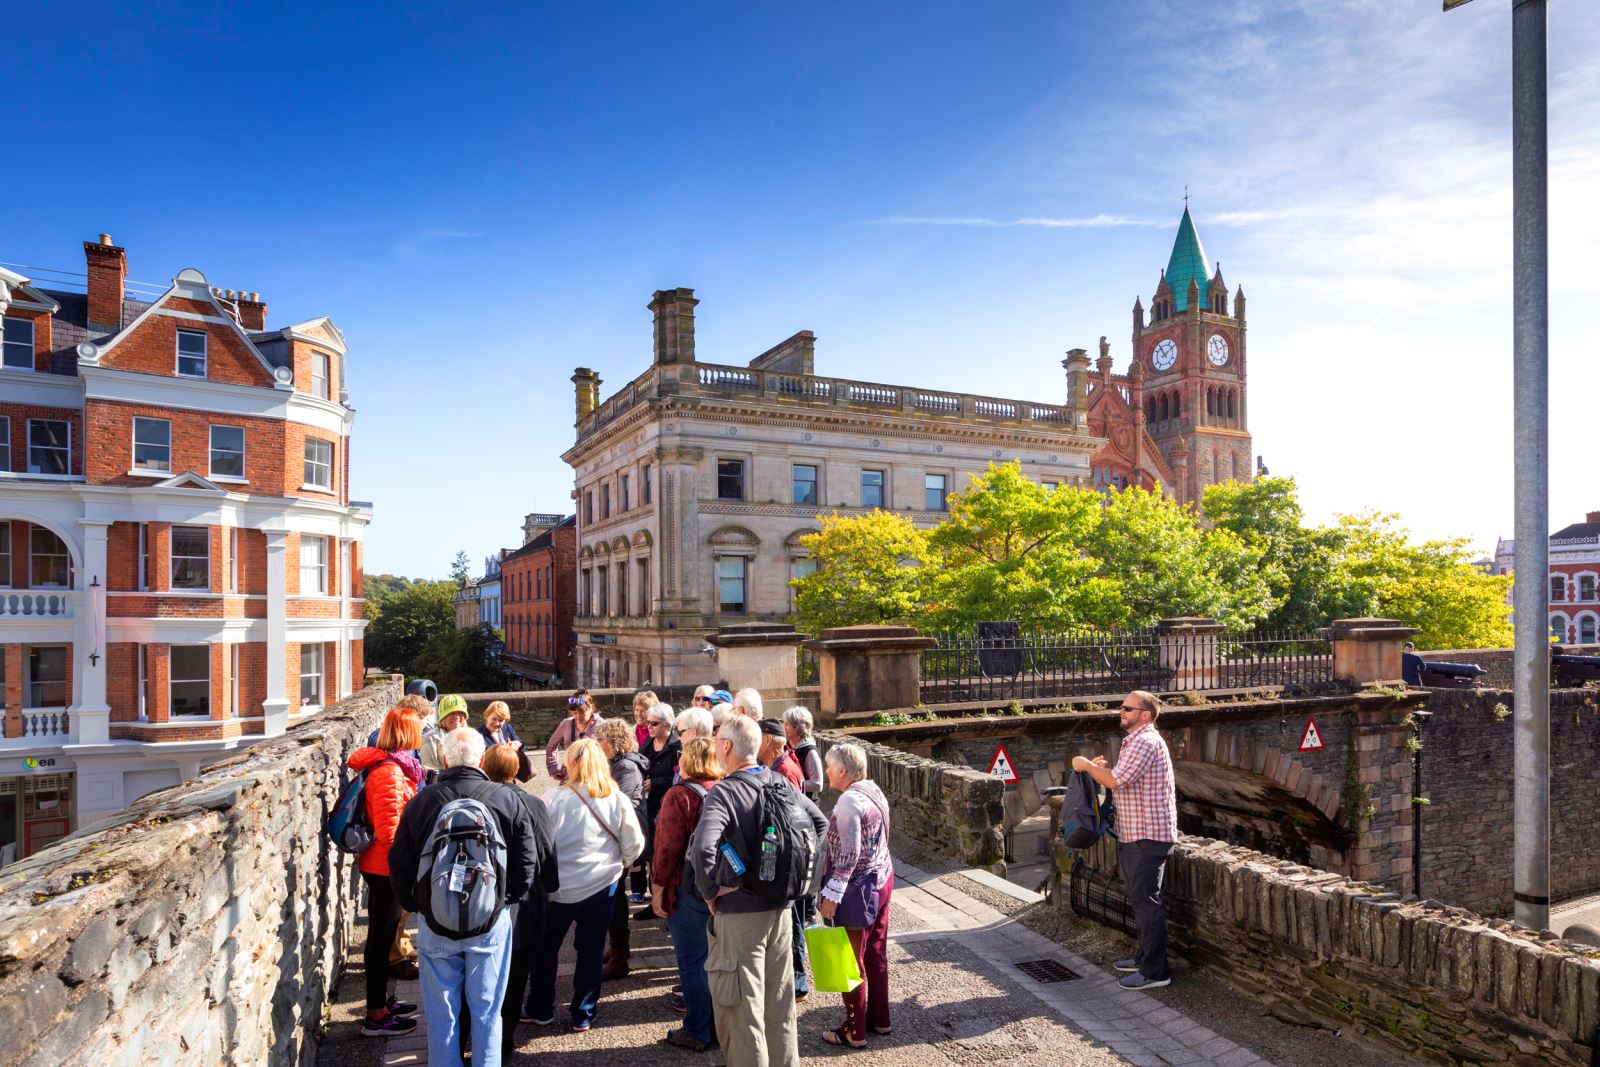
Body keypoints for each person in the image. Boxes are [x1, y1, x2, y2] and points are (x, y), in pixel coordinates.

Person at [388, 728, 539, 1067]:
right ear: (482, 759)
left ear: (443, 760)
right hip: (490, 920)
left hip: (436, 921)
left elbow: (398, 860)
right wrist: (507, 898)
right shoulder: (506, 798)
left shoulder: (423, 801)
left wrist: (416, 905)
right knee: (487, 1012)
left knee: (443, 1016)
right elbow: (526, 858)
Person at [691, 715, 827, 1067]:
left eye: (719, 739)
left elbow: (703, 849)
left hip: (739, 914)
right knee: (778, 1006)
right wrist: (798, 879)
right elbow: (820, 825)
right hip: (781, 910)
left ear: (726, 747)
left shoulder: (724, 792)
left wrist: (711, 891)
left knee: (742, 1012)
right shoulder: (780, 781)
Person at [527, 739, 645, 1032]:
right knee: (591, 949)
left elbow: (541, 845)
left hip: (561, 890)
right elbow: (634, 843)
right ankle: (584, 1012)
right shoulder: (615, 797)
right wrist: (619, 867)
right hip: (602, 884)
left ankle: (541, 1008)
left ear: (574, 764)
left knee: (545, 949)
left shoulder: (553, 798)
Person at [1071, 690, 1177, 990]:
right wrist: (1096, 769)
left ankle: (1156, 973)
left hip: (1148, 835)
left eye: (1127, 708)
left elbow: (1116, 782)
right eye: (1122, 707)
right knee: (1139, 900)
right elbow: (1120, 777)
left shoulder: (1145, 741)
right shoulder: (1136, 741)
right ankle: (1144, 958)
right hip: (1135, 834)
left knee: (1147, 903)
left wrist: (1086, 766)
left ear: (1144, 714)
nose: (1121, 711)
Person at [481, 743, 560, 1066]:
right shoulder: (530, 803)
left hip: (481, 902)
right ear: (516, 771)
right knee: (514, 980)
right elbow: (545, 850)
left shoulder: (474, 799)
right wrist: (552, 888)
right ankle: (503, 1043)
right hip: (523, 904)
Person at [349, 709, 426, 1036]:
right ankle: (376, 1016)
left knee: (384, 935)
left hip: (382, 864)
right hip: (386, 867)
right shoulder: (390, 773)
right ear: (407, 732)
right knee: (381, 939)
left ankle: (383, 1002)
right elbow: (390, 831)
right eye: (418, 727)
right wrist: (408, 866)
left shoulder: (393, 766)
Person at [817, 743, 894, 1049]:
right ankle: (880, 1019)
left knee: (850, 960)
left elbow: (849, 855)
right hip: (882, 879)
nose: (826, 771)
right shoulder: (874, 790)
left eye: (828, 766)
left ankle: (854, 1031)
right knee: (875, 952)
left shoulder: (849, 802)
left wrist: (832, 894)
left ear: (842, 772)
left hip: (857, 889)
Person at [650, 737, 723, 1052]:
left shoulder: (679, 795)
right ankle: (719, 1026)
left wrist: (657, 889)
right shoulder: (724, 789)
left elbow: (667, 848)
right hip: (722, 885)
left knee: (693, 961)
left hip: (688, 885)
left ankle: (697, 1030)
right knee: (718, 961)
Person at [754, 718, 810, 999]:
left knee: (795, 923)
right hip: (787, 860)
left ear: (766, 740)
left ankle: (798, 980)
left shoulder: (784, 770)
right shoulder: (778, 765)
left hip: (789, 861)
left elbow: (796, 817)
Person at [597, 718, 651, 977]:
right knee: (615, 896)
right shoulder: (619, 764)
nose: (598, 744)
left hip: (627, 836)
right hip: (621, 834)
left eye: (601, 739)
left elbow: (626, 803)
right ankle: (619, 947)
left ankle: (620, 956)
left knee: (615, 896)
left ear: (613, 741)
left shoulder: (626, 767)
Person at [546, 690, 603, 780]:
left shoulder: (601, 725)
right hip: (569, 776)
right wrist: (553, 768)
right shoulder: (566, 724)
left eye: (582, 713)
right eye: (575, 713)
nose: (578, 717)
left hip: (593, 777)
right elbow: (551, 746)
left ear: (591, 708)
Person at [423, 695, 470, 775]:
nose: (457, 717)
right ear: (443, 717)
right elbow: (428, 771)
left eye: (460, 713)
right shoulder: (431, 738)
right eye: (452, 713)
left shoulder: (471, 737)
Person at [783, 707, 823, 799]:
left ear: (798, 727)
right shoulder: (787, 747)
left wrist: (791, 782)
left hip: (806, 805)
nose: (784, 727)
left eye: (787, 724)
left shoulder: (810, 752)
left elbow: (817, 784)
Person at [756, 719, 803, 788]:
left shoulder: (786, 773)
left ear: (768, 740)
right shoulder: (770, 766)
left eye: (756, 739)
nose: (753, 743)